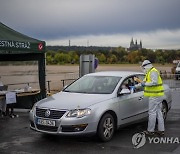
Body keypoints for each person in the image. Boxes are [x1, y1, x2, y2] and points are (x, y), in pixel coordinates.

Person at [139, 60, 165, 136]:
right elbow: (143, 82)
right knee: (158, 112)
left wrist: (145, 84)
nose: (143, 69)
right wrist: (135, 86)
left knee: (152, 113)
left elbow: (154, 82)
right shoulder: (149, 72)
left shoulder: (153, 71)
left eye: (143, 67)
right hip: (157, 95)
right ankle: (161, 130)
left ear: (146, 66)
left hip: (155, 96)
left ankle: (150, 131)